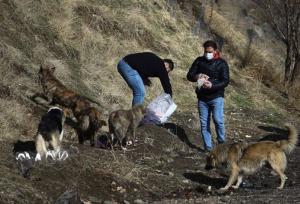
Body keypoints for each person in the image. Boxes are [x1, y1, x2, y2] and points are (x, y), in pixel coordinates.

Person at [186, 40, 230, 151]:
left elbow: (225, 81)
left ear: (215, 51)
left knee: (218, 120)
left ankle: (221, 143)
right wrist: (198, 75)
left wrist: (212, 85)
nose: (207, 54)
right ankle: (208, 148)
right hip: (202, 97)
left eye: (210, 51)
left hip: (217, 96)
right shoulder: (199, 61)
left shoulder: (222, 63)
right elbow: (189, 75)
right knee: (204, 123)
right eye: (206, 51)